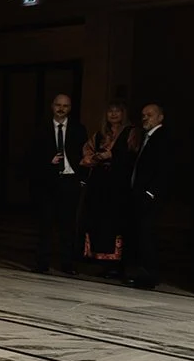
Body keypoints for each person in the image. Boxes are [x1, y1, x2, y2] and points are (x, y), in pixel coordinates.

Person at [30, 93, 86, 275]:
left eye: (65, 106)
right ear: (52, 106)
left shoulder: (79, 129)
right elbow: (30, 157)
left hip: (70, 181)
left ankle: (68, 264)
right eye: (58, 105)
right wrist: (48, 161)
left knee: (68, 226)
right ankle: (42, 263)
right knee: (45, 224)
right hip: (47, 183)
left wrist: (82, 180)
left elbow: (85, 155)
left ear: (70, 108)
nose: (61, 109)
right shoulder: (40, 129)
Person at [80, 103, 139, 273]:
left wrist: (112, 155)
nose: (113, 114)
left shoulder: (131, 132)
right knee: (97, 219)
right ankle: (97, 259)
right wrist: (95, 157)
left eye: (117, 111)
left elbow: (133, 155)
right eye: (110, 111)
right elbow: (86, 152)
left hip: (118, 185)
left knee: (115, 222)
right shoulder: (99, 134)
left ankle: (115, 263)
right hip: (99, 184)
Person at [125, 102, 170, 290]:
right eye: (143, 115)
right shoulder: (146, 137)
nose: (145, 118)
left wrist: (150, 192)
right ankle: (142, 273)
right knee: (141, 235)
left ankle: (149, 276)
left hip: (149, 197)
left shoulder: (162, 137)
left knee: (147, 235)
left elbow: (165, 168)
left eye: (150, 115)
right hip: (140, 195)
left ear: (160, 117)